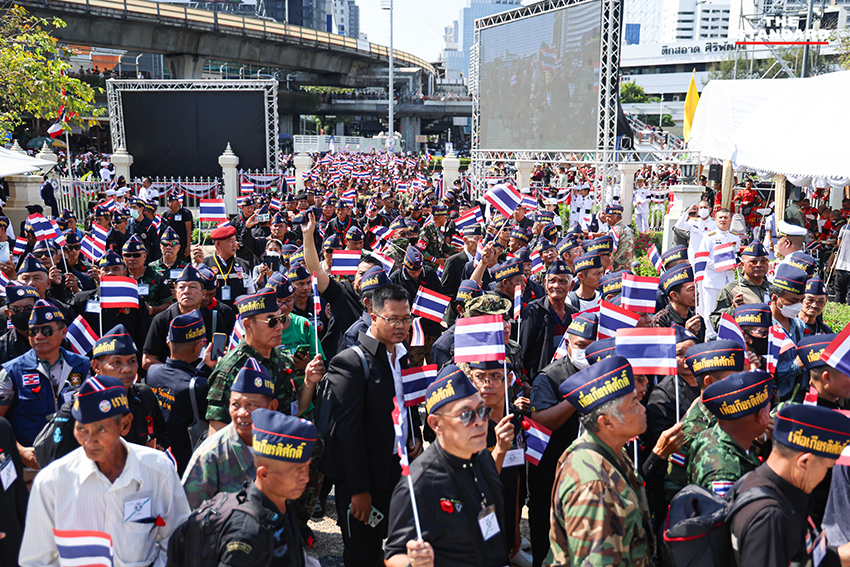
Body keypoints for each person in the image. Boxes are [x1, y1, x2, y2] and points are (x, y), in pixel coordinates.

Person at [19, 375, 191, 567]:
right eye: (81, 429)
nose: (89, 440)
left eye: (100, 429)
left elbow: (179, 542)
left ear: (125, 425)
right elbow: (36, 560)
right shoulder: (51, 482)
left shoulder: (158, 470)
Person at [320, 284, 423, 567]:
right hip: (364, 477)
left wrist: (414, 437)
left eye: (406, 318)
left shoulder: (404, 356)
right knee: (362, 553)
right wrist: (358, 490)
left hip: (397, 470)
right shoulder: (351, 363)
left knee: (398, 548)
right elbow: (348, 434)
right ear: (372, 314)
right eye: (393, 319)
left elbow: (408, 402)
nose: (401, 325)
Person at [384, 365, 511, 567]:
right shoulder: (420, 483)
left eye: (482, 411)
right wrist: (412, 562)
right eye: (466, 416)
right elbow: (393, 555)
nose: (480, 422)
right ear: (436, 424)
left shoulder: (482, 456)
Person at [546, 356, 653, 566]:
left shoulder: (611, 452)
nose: (643, 409)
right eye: (633, 405)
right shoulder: (595, 485)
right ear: (606, 422)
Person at [730, 404, 850, 567]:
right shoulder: (770, 518)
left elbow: (798, 557)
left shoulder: (759, 484)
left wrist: (840, 556)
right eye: (827, 467)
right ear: (804, 462)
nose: (823, 476)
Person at [526, 312, 597, 567]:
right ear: (568, 345)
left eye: (592, 347)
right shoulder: (549, 377)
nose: (586, 352)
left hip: (591, 474)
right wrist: (578, 396)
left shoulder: (604, 370)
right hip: (552, 474)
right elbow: (543, 420)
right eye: (580, 346)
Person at [205, 288, 324, 432]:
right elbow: (217, 433)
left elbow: (294, 410)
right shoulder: (231, 370)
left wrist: (309, 382)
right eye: (272, 321)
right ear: (248, 325)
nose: (280, 327)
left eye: (281, 319)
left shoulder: (283, 359)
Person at [210, 409, 318, 567]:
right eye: (296, 470)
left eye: (307, 468)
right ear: (264, 474)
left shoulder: (281, 507)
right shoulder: (246, 532)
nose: (306, 478)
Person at [0, 299, 90, 468]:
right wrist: (19, 451)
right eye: (33, 331)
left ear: (63, 332)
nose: (39, 336)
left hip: (76, 463)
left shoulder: (83, 367)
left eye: (46, 331)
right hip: (31, 467)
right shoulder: (11, 372)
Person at [182, 358, 278, 509]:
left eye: (251, 405)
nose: (242, 413)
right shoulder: (210, 455)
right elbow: (188, 516)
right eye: (235, 405)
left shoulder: (282, 447)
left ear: (272, 407)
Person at [664, 339, 746, 503]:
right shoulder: (690, 430)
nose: (741, 383)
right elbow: (673, 485)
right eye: (733, 378)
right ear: (709, 382)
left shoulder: (734, 409)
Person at [687, 370, 772, 496]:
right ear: (761, 417)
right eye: (767, 411)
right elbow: (726, 514)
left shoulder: (708, 435)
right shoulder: (724, 475)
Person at [146, 310, 209, 475]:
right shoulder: (199, 385)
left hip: (157, 461)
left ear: (168, 342)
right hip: (187, 468)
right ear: (198, 346)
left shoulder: (152, 372)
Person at [92, 324, 166, 447]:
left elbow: (163, 435)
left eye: (132, 361)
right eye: (116, 362)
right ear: (96, 366)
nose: (127, 369)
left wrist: (159, 449)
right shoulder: (82, 405)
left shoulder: (144, 396)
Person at [644, 326, 699, 451]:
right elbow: (662, 443)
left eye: (692, 353)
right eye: (679, 355)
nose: (687, 360)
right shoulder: (663, 394)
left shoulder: (709, 380)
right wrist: (693, 413)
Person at [520, 260, 576, 381]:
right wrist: (525, 381)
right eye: (552, 281)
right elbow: (523, 351)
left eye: (562, 281)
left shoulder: (574, 314)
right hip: (539, 381)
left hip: (567, 380)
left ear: (571, 286)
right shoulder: (534, 311)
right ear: (545, 284)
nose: (556, 285)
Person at [697, 208, 740, 336]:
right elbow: (703, 258)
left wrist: (735, 263)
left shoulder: (734, 237)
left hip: (729, 280)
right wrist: (721, 265)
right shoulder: (708, 237)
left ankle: (724, 334)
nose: (723, 220)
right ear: (715, 219)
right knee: (710, 310)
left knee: (727, 309)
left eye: (725, 218)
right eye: (720, 217)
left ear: (730, 220)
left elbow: (736, 254)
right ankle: (711, 335)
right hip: (713, 279)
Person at [710, 241, 771, 331]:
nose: (759, 265)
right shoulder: (731, 290)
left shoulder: (774, 289)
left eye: (764, 261)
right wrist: (733, 310)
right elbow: (716, 323)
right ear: (742, 265)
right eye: (753, 262)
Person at [194, 222, 254, 309]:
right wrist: (199, 265)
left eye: (235, 240)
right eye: (230, 241)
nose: (235, 244)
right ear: (218, 244)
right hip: (213, 315)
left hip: (238, 315)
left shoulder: (243, 264)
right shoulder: (205, 264)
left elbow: (250, 294)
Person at [652, 263, 705, 342]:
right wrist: (687, 334)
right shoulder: (661, 320)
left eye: (696, 288)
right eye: (691, 289)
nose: (697, 293)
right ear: (674, 295)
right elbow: (664, 350)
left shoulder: (697, 319)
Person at [0, 284, 41, 362]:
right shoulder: (2, 346)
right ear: (8, 314)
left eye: (28, 308)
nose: (22, 313)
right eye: (15, 310)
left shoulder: (55, 339)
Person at [162, 192, 193, 261]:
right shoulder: (166, 214)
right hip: (171, 244)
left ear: (178, 203)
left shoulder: (185, 213)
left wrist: (188, 246)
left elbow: (188, 231)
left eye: (173, 202)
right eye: (169, 202)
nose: (171, 204)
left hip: (182, 243)